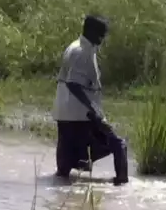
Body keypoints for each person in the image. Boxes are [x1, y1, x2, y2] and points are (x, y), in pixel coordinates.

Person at [52, 14, 129, 185]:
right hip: (82, 114)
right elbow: (73, 84)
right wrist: (93, 109)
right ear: (92, 32)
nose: (103, 38)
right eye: (101, 34)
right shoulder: (82, 52)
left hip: (65, 111)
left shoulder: (75, 47)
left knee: (65, 165)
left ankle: (63, 186)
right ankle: (122, 184)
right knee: (118, 143)